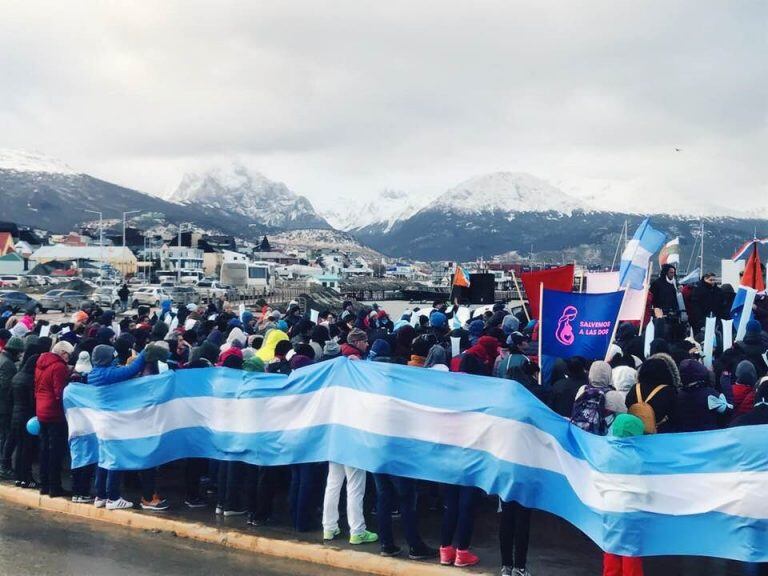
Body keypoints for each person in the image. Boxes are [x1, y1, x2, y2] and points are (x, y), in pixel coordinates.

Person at [89, 344, 146, 510]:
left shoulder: (94, 373)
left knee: (103, 459)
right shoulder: (107, 374)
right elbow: (132, 370)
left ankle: (100, 495)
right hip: (112, 422)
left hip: (100, 421)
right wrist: (145, 352)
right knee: (114, 459)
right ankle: (113, 497)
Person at [602, 413, 646, 576]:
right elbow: (645, 487)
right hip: (631, 510)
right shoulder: (638, 459)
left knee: (611, 548)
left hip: (610, 508)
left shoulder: (606, 454)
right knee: (630, 552)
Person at [34, 340, 74, 497]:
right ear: (63, 353)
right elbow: (60, 392)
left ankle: (44, 485)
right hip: (54, 413)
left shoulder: (40, 363)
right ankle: (54, 486)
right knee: (55, 452)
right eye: (68, 355)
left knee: (44, 449)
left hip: (41, 410)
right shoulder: (59, 367)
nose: (69, 358)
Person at [3, 353, 38, 488]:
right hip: (27, 417)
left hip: (15, 416)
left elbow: (10, 397)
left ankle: (19, 477)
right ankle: (27, 477)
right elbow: (32, 401)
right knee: (27, 448)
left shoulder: (17, 376)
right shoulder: (30, 380)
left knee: (20, 447)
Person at [625, 354, 679, 434]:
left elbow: (628, 403)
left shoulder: (635, 388)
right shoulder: (669, 391)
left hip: (636, 432)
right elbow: (675, 415)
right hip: (661, 433)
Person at [0, 336, 24, 475]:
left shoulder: (3, 359)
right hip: (4, 407)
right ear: (14, 351)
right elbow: (7, 387)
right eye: (19, 352)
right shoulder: (8, 364)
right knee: (6, 436)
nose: (20, 355)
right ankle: (4, 466)